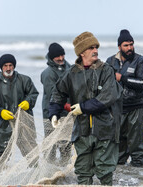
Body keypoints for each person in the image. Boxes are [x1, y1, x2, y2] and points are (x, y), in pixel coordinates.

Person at [49, 31, 122, 185]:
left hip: (105, 129)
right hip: (82, 130)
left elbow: (108, 96)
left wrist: (83, 107)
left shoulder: (106, 70)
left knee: (105, 170)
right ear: (81, 52)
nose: (95, 50)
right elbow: (58, 92)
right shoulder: (72, 73)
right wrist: (54, 113)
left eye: (96, 47)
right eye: (91, 48)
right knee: (83, 171)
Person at [0, 54, 39, 164]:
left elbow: (33, 93)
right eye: (5, 65)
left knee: (30, 150)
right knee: (1, 154)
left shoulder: (25, 80)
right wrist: (0, 112)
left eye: (10, 65)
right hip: (1, 126)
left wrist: (28, 102)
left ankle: (34, 176)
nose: (8, 68)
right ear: (1, 67)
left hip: (23, 122)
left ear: (14, 66)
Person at [106, 29, 143, 167]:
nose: (130, 48)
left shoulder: (140, 61)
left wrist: (122, 78)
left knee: (137, 150)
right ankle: (122, 179)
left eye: (131, 44)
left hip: (137, 109)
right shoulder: (110, 61)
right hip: (117, 110)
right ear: (119, 47)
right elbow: (105, 84)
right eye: (126, 45)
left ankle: (140, 179)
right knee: (118, 150)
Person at [41, 42, 71, 164]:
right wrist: (66, 106)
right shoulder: (48, 74)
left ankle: (65, 170)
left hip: (67, 114)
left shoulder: (69, 67)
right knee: (51, 144)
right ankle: (49, 169)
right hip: (51, 114)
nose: (61, 58)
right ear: (52, 58)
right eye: (57, 56)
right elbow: (53, 96)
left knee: (66, 144)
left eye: (62, 55)